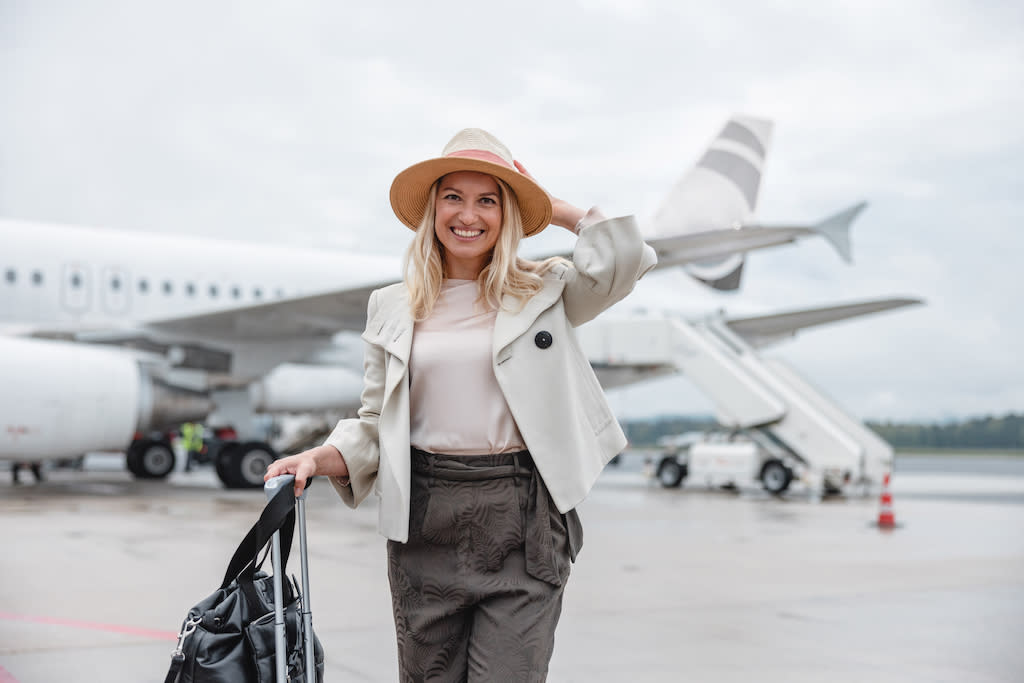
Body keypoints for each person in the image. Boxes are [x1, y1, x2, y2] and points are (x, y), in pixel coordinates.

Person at [265, 128, 656, 681]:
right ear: (433, 209)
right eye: (453, 197)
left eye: (488, 200)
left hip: (524, 515)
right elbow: (376, 420)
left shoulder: (547, 289)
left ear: (508, 215)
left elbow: (624, 258)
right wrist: (318, 457)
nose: (468, 214)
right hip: (425, 515)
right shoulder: (391, 306)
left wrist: (553, 206)